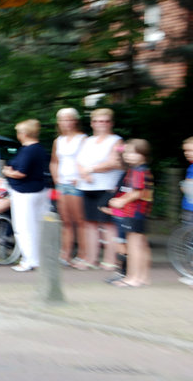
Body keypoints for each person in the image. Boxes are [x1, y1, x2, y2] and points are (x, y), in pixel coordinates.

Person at [75, 108, 124, 270]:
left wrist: (90, 170)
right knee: (90, 223)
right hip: (87, 186)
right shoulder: (87, 141)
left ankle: (111, 259)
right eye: (97, 121)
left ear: (111, 123)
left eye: (104, 121)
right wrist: (82, 171)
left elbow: (114, 162)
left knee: (109, 225)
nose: (100, 124)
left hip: (108, 187)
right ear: (92, 123)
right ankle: (91, 258)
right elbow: (78, 160)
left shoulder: (117, 141)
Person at [2, 119, 49, 272]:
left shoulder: (28, 150)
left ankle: (28, 260)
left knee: (23, 228)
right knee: (36, 226)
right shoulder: (40, 149)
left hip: (23, 193)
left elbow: (21, 173)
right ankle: (39, 258)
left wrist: (7, 171)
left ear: (24, 133)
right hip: (39, 190)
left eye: (19, 132)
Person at [107, 139, 153, 287]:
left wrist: (121, 202)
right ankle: (142, 277)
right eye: (126, 152)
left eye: (133, 153)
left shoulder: (138, 171)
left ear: (143, 155)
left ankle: (132, 278)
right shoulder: (142, 170)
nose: (128, 156)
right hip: (140, 213)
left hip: (134, 212)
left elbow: (137, 192)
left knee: (134, 246)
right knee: (141, 245)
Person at [49, 108, 87, 268]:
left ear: (75, 121)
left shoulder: (83, 139)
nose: (66, 123)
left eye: (69, 119)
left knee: (80, 221)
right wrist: (57, 179)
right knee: (66, 221)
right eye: (63, 120)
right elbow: (54, 162)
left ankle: (83, 254)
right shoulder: (58, 141)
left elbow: (87, 161)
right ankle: (65, 253)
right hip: (62, 184)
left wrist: (80, 178)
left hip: (76, 184)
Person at [181, 137, 193, 225]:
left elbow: (189, 189)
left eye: (190, 150)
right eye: (185, 151)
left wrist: (182, 186)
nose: (187, 153)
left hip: (190, 209)